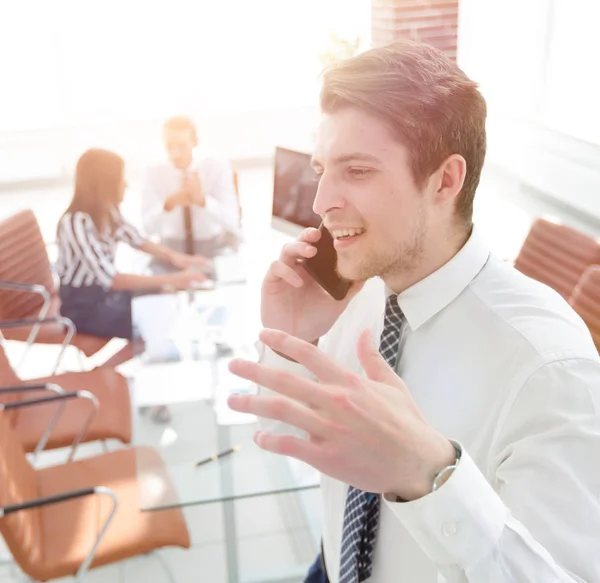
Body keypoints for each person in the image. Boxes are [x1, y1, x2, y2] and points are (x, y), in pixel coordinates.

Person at [226, 40, 600, 582]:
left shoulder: (550, 368)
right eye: (321, 169)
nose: (320, 202)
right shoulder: (365, 293)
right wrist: (293, 343)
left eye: (356, 171)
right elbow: (279, 431)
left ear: (445, 180)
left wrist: (430, 480)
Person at [57, 148, 208, 362]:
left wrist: (180, 259)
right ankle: (99, 378)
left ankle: (121, 367)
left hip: (103, 295)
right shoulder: (75, 224)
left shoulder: (107, 211)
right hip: (83, 307)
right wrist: (177, 278)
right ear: (104, 184)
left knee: (161, 299)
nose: (126, 184)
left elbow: (137, 240)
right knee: (150, 323)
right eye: (120, 179)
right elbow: (113, 280)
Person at [141, 115, 241, 266]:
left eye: (182, 146)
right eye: (169, 147)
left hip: (213, 248)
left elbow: (232, 222)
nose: (176, 154)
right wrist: (167, 206)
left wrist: (203, 201)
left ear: (195, 142)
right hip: (170, 251)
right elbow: (147, 229)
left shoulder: (216, 168)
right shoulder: (153, 172)